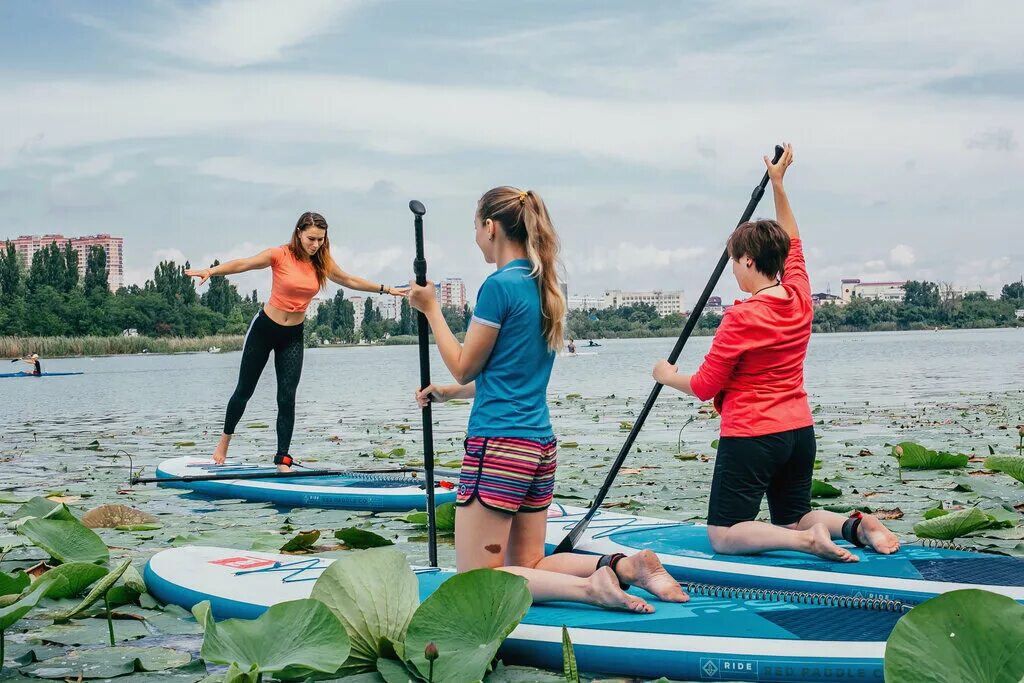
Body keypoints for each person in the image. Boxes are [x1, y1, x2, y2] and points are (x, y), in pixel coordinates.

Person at [410, 186, 686, 613]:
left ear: (490, 226)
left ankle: (591, 588)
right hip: (538, 446)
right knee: (530, 563)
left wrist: (431, 309)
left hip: (499, 445)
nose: (475, 238)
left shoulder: (498, 287)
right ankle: (626, 566)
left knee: (478, 579)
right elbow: (505, 375)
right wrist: (450, 394)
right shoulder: (545, 286)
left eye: (475, 228)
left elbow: (464, 365)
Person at [652, 145, 900, 562]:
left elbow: (704, 385)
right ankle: (856, 526)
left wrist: (665, 374)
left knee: (724, 535)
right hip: (798, 431)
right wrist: (779, 187)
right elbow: (794, 240)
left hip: (753, 434)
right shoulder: (800, 294)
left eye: (734, 261)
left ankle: (808, 542)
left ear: (748, 261)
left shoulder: (741, 317)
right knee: (793, 516)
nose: (732, 269)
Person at [186, 212, 406, 472]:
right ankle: (223, 443)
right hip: (264, 329)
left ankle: (282, 459)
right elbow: (245, 264)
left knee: (287, 396)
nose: (315, 245)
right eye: (311, 238)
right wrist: (212, 271)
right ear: (299, 233)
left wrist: (386, 289)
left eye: (320, 240)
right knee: (244, 391)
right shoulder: (280, 254)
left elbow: (349, 279)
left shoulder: (321, 263)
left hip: (293, 335)